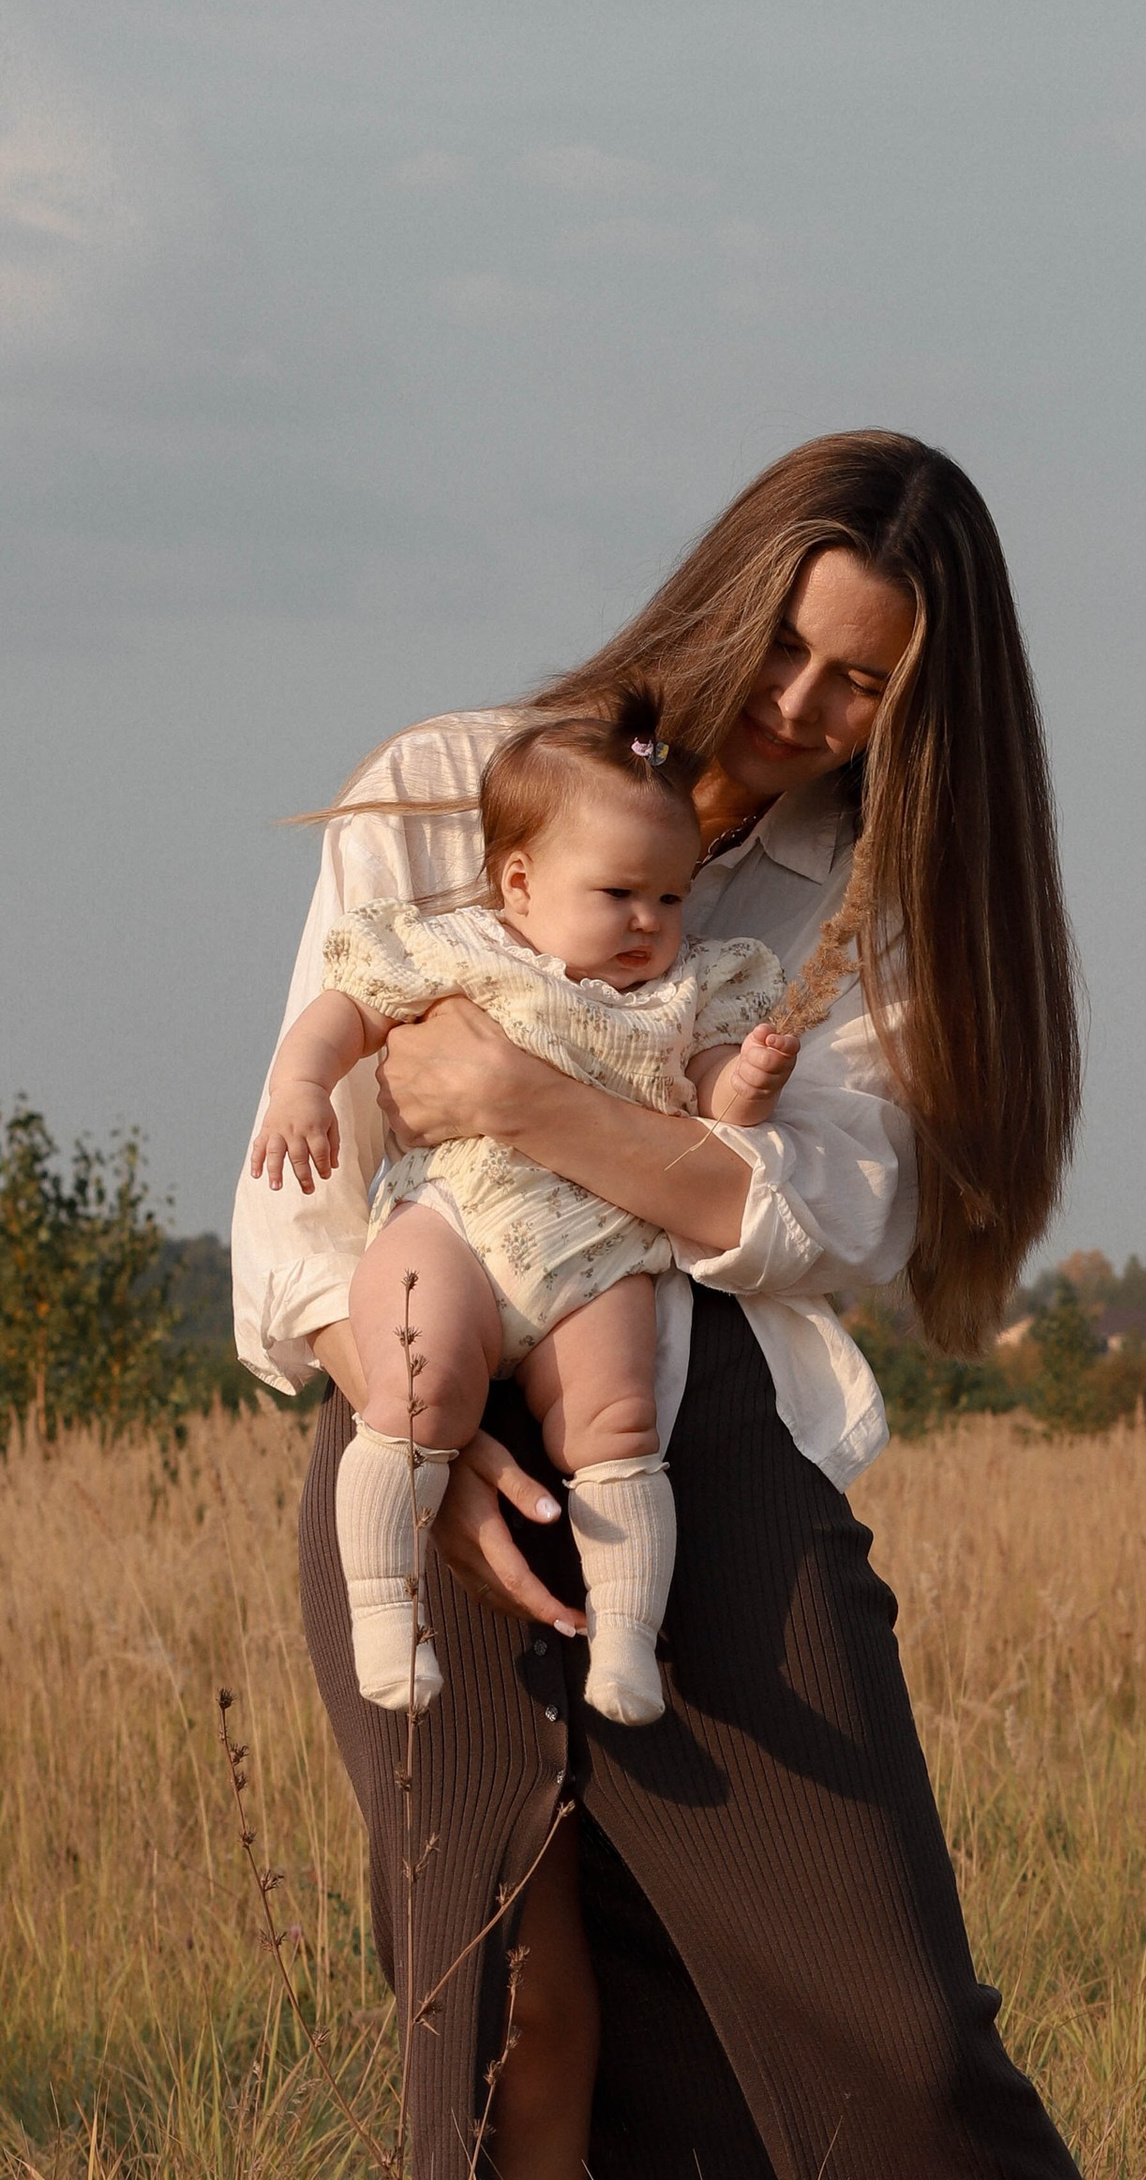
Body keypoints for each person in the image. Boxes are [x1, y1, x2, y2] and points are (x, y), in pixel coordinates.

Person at [233, 431, 1146, 2180]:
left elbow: (821, 1220)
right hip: (413, 1417)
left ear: (926, 711)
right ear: (724, 598)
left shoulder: (859, 917)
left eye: (868, 685)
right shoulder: (440, 785)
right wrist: (424, 1439)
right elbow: (289, 1205)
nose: (808, 705)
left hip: (697, 1436)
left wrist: (521, 1103)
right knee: (516, 2029)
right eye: (796, 646)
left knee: (899, 2014)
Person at [250, 701, 800, 1727]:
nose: (650, 920)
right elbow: (346, 1007)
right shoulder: (459, 948)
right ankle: (385, 1607)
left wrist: (750, 1081)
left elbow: (720, 1104)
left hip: (598, 1245)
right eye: (619, 892)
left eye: (671, 895)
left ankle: (625, 1638)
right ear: (519, 883)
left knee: (621, 1420)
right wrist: (301, 1086)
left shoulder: (691, 989)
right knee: (417, 1383)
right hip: (455, 1212)